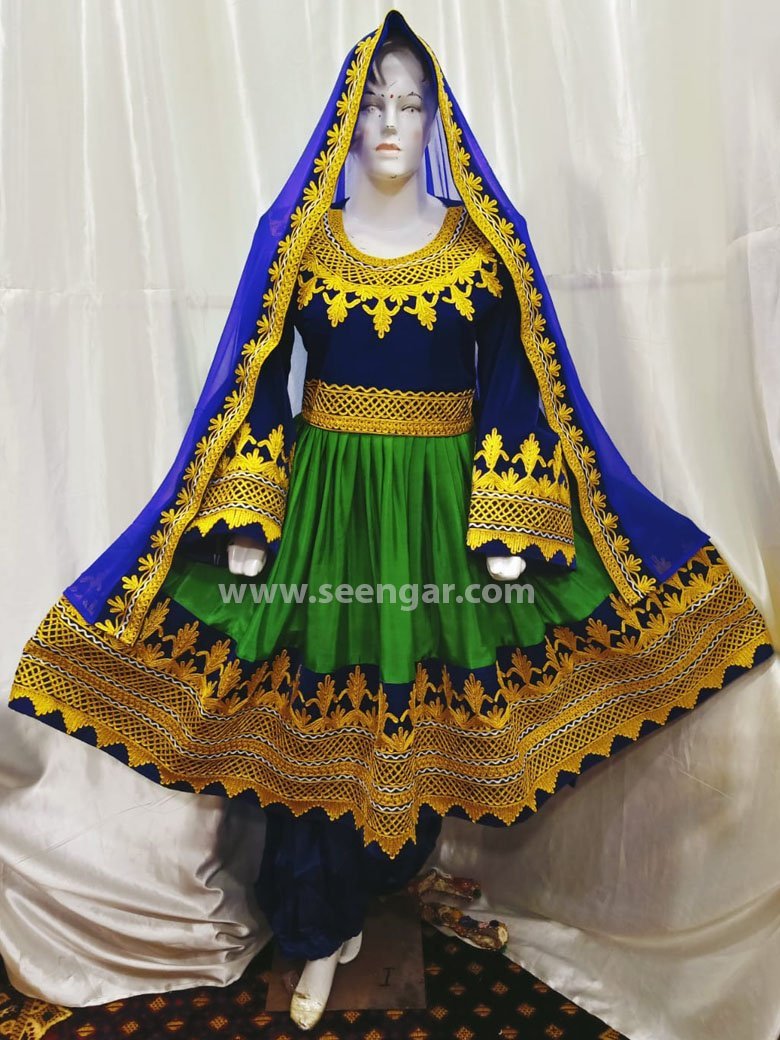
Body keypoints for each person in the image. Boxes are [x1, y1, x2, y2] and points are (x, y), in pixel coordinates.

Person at [7, 9, 774, 1031]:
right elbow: (253, 381)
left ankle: (381, 886)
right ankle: (315, 927)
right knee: (313, 716)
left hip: (442, 511)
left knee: (423, 708)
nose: (390, 124)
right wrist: (248, 516)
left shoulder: (483, 245)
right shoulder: (300, 241)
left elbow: (519, 385)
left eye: (411, 105)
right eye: (373, 103)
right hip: (328, 504)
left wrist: (510, 530)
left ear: (436, 120)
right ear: (344, 117)